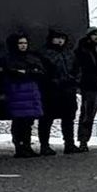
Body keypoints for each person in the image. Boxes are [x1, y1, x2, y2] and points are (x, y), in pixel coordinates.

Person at [37, 27, 79, 155]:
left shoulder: (70, 54)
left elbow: (77, 69)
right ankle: (44, 145)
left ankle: (69, 144)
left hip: (68, 90)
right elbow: (41, 72)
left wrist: (74, 81)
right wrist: (51, 81)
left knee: (68, 118)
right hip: (50, 91)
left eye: (62, 38)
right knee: (46, 119)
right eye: (57, 38)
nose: (60, 41)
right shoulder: (44, 54)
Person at [4, 33, 46, 158]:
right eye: (20, 43)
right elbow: (12, 72)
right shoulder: (10, 58)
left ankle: (26, 146)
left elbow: (40, 72)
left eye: (25, 43)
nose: (23, 46)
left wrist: (26, 72)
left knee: (28, 121)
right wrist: (29, 72)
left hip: (30, 92)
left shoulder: (32, 57)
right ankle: (19, 146)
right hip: (18, 92)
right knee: (19, 121)